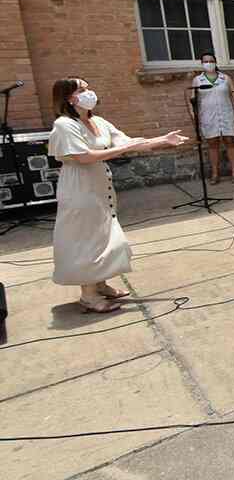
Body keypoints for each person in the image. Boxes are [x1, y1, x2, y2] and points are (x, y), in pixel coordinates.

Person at [48, 78, 188, 312]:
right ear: (69, 98)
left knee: (104, 235)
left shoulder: (99, 121)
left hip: (100, 184)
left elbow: (128, 142)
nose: (89, 92)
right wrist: (124, 149)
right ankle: (89, 295)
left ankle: (100, 284)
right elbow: (84, 157)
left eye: (88, 87)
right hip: (79, 187)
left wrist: (162, 140)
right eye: (82, 90)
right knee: (86, 238)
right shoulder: (64, 125)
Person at [189, 52, 234, 185]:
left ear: (215, 62)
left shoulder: (225, 78)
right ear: (202, 64)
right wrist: (194, 115)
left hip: (226, 114)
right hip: (208, 115)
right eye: (205, 61)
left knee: (230, 141)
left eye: (211, 61)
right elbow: (192, 99)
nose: (209, 63)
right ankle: (215, 173)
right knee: (213, 143)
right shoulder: (197, 80)